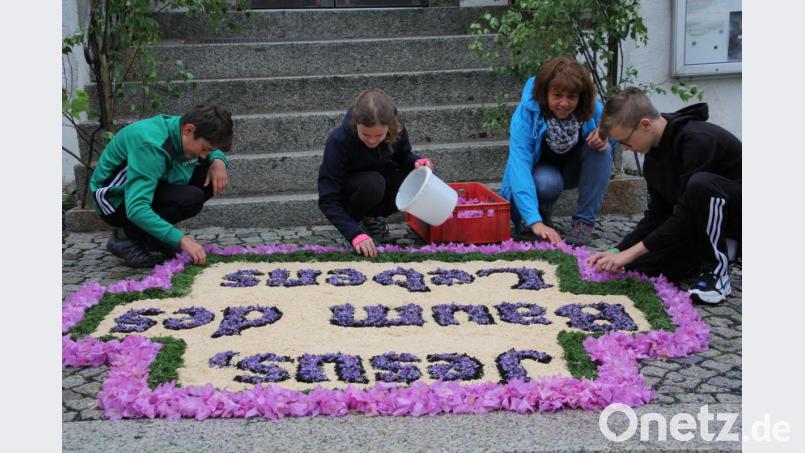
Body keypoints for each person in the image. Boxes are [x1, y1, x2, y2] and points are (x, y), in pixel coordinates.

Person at [586, 87, 741, 304]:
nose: (626, 149)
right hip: (696, 225)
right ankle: (696, 258)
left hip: (735, 219)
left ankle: (718, 269)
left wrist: (630, 252)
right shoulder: (652, 157)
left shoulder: (697, 141)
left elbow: (685, 212)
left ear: (645, 124)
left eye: (624, 141)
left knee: (701, 185)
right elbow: (658, 214)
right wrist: (618, 250)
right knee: (636, 266)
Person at [91, 104, 234, 268]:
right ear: (188, 130)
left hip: (151, 183)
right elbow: (136, 207)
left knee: (207, 173)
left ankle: (152, 237)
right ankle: (125, 238)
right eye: (205, 149)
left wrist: (218, 160)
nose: (204, 154)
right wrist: (180, 239)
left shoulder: (183, 127)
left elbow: (210, 153)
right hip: (115, 201)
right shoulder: (151, 146)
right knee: (190, 198)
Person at [499, 57, 614, 246]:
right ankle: (541, 216)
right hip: (543, 174)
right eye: (557, 95)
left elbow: (615, 129)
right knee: (546, 182)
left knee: (602, 149)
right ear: (545, 94)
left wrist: (605, 136)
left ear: (581, 96)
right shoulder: (525, 116)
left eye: (571, 96)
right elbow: (519, 166)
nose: (564, 103)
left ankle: (583, 223)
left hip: (574, 170)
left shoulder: (593, 109)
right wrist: (534, 221)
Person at [318, 89, 433, 258]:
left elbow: (403, 156)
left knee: (422, 180)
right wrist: (353, 234)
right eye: (365, 134)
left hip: (381, 184)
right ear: (356, 123)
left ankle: (371, 219)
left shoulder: (397, 130)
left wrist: (416, 162)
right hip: (353, 191)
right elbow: (328, 199)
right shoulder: (339, 141)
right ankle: (356, 224)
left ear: (390, 126)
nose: (372, 141)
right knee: (373, 183)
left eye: (379, 135)